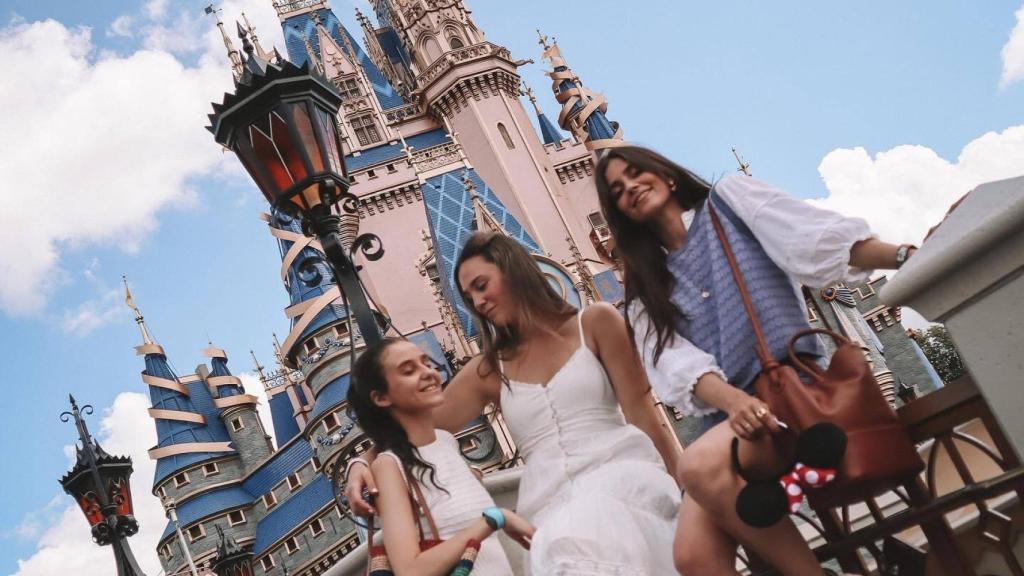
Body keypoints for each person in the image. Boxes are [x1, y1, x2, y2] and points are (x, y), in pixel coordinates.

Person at [594, 145, 916, 575]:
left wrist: (902, 256)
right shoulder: (643, 291)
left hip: (792, 393)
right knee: (693, 557)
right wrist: (734, 403)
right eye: (617, 189)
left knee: (698, 465)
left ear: (667, 176)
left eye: (636, 173)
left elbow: (814, 237)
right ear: (619, 213)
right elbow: (676, 365)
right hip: (731, 421)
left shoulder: (730, 202)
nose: (630, 187)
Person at [346, 232, 683, 575]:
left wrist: (687, 492)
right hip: (551, 508)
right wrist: (360, 462)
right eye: (468, 296)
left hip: (623, 479)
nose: (477, 302)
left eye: (481, 285)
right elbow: (413, 430)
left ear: (513, 270)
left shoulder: (595, 322)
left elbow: (643, 415)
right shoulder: (490, 371)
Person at [346, 338, 533, 576]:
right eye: (408, 370)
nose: (427, 373)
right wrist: (495, 519)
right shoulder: (388, 466)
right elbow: (410, 569)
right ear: (381, 398)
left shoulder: (446, 441)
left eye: (426, 363)